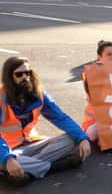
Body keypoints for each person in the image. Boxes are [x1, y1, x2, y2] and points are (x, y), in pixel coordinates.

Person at [0, 57, 91, 186]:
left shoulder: (39, 94)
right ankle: (52, 167)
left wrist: (82, 138)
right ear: (9, 77)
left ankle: (25, 170)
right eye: (19, 74)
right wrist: (8, 158)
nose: (25, 77)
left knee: (72, 140)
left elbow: (61, 117)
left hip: (32, 144)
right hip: (7, 149)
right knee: (2, 160)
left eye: (28, 73)